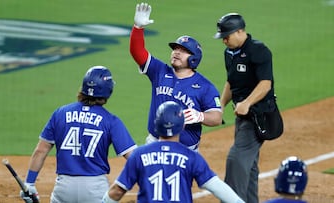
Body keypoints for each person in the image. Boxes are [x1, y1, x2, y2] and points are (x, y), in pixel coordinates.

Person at [20, 66, 137, 203]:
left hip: (64, 188)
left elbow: (41, 150)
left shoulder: (60, 114)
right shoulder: (111, 121)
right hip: (95, 189)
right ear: (108, 90)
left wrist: (30, 184)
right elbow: (134, 157)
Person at [102, 101, 245, 203]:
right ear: (182, 126)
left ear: (156, 124)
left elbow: (117, 191)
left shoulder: (139, 155)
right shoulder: (191, 157)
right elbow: (216, 186)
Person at [130, 2, 223, 151]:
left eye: (183, 50)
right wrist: (138, 28)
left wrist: (200, 116)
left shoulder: (205, 86)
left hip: (186, 151)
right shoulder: (159, 71)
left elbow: (217, 118)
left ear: (194, 58)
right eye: (175, 49)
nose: (176, 52)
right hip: (154, 143)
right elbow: (137, 51)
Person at [214, 13, 279, 203]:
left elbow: (266, 83)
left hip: (260, 116)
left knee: (236, 159)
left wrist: (247, 103)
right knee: (249, 166)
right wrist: (220, 104)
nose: (224, 39)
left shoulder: (259, 51)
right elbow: (230, 82)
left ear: (240, 31)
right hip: (241, 116)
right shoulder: (229, 53)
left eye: (227, 35)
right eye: (222, 36)